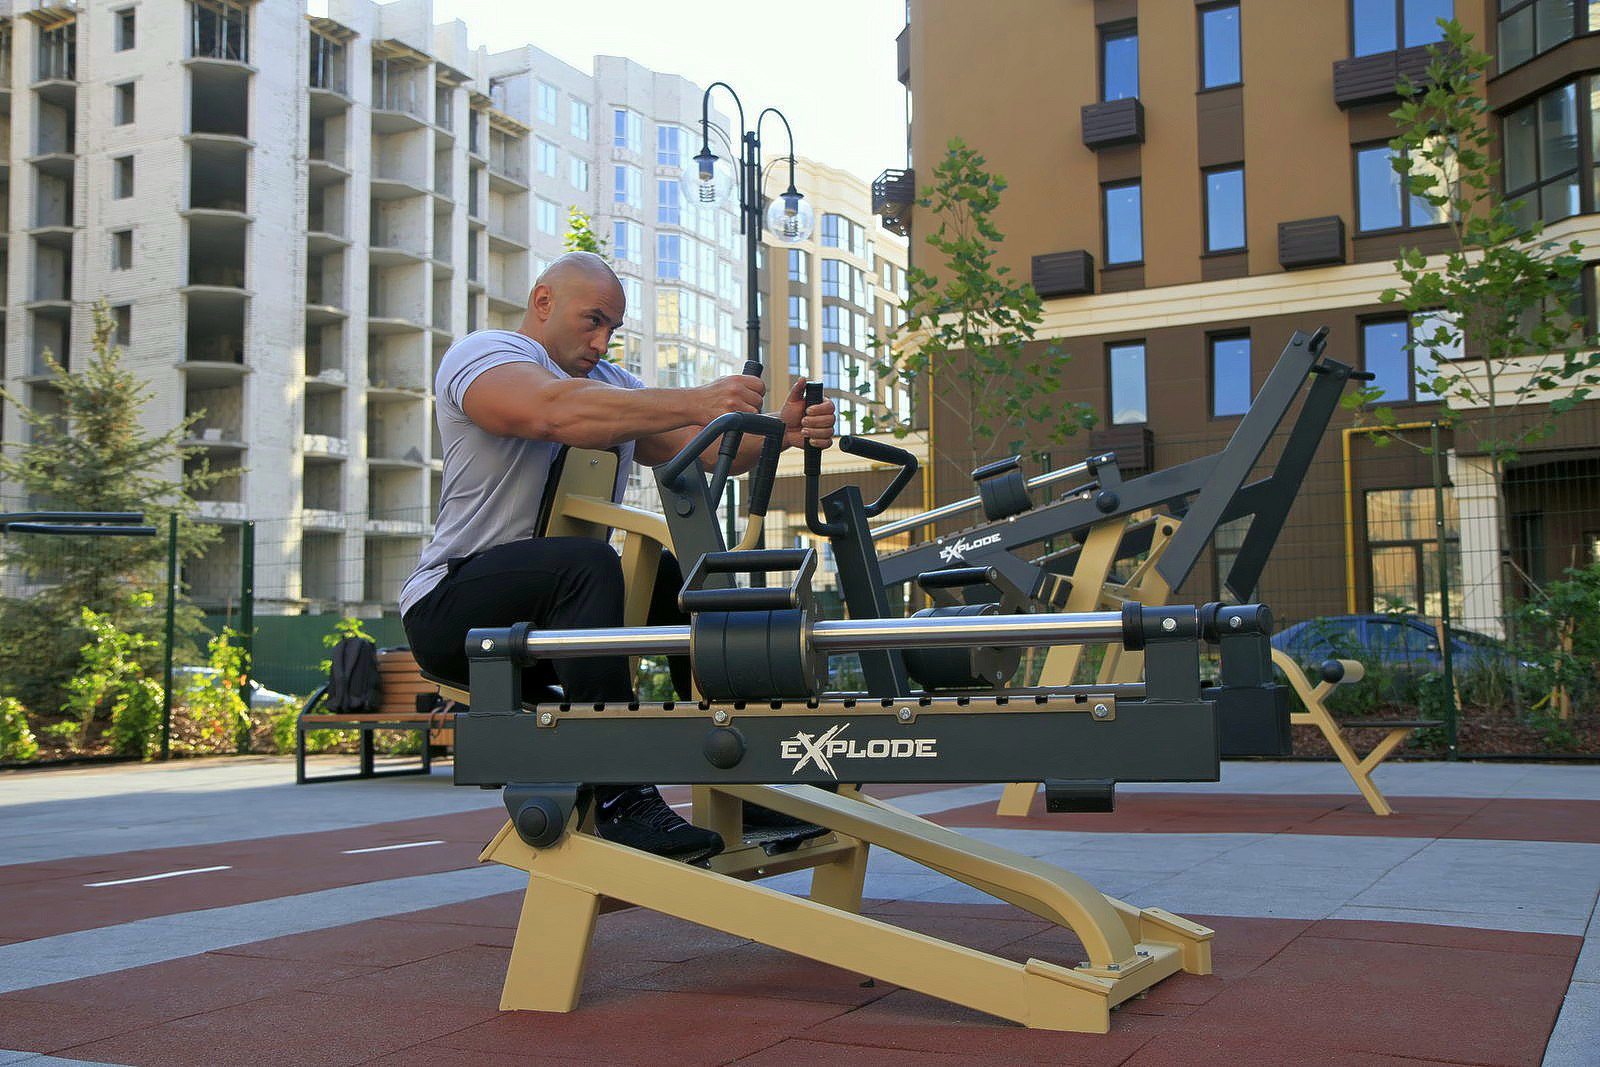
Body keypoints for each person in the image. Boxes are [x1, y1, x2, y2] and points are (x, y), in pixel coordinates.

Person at [400, 251, 835, 862]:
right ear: (543, 301)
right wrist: (696, 399)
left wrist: (777, 436)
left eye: (613, 330)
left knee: (685, 583)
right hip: (455, 609)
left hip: (559, 609)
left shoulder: (612, 389)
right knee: (587, 562)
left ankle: (742, 774)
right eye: (593, 321)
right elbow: (553, 412)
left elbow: (710, 451)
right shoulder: (485, 355)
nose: (602, 342)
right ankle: (620, 796)